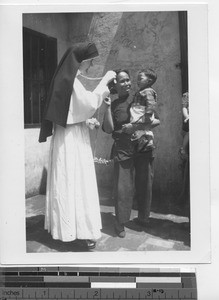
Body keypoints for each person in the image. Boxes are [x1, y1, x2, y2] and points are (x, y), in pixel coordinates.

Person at [39, 42, 116, 250]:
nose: (90, 67)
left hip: (69, 135)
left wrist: (85, 121)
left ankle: (67, 228)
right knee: (77, 180)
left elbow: (72, 112)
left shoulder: (65, 79)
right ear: (81, 61)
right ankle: (81, 230)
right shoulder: (70, 81)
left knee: (69, 180)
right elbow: (89, 104)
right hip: (71, 140)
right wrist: (105, 81)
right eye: (90, 62)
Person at [102, 69, 160, 238]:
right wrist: (106, 107)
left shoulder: (141, 97)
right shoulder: (114, 104)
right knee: (123, 188)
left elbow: (156, 120)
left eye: (128, 79)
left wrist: (135, 127)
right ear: (116, 85)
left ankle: (143, 217)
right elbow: (108, 129)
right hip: (123, 148)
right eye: (122, 81)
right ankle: (120, 223)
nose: (127, 83)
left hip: (143, 145)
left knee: (145, 184)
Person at [180, 92, 189, 159]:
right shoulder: (187, 95)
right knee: (188, 133)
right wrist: (187, 116)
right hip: (190, 121)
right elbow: (184, 107)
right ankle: (183, 148)